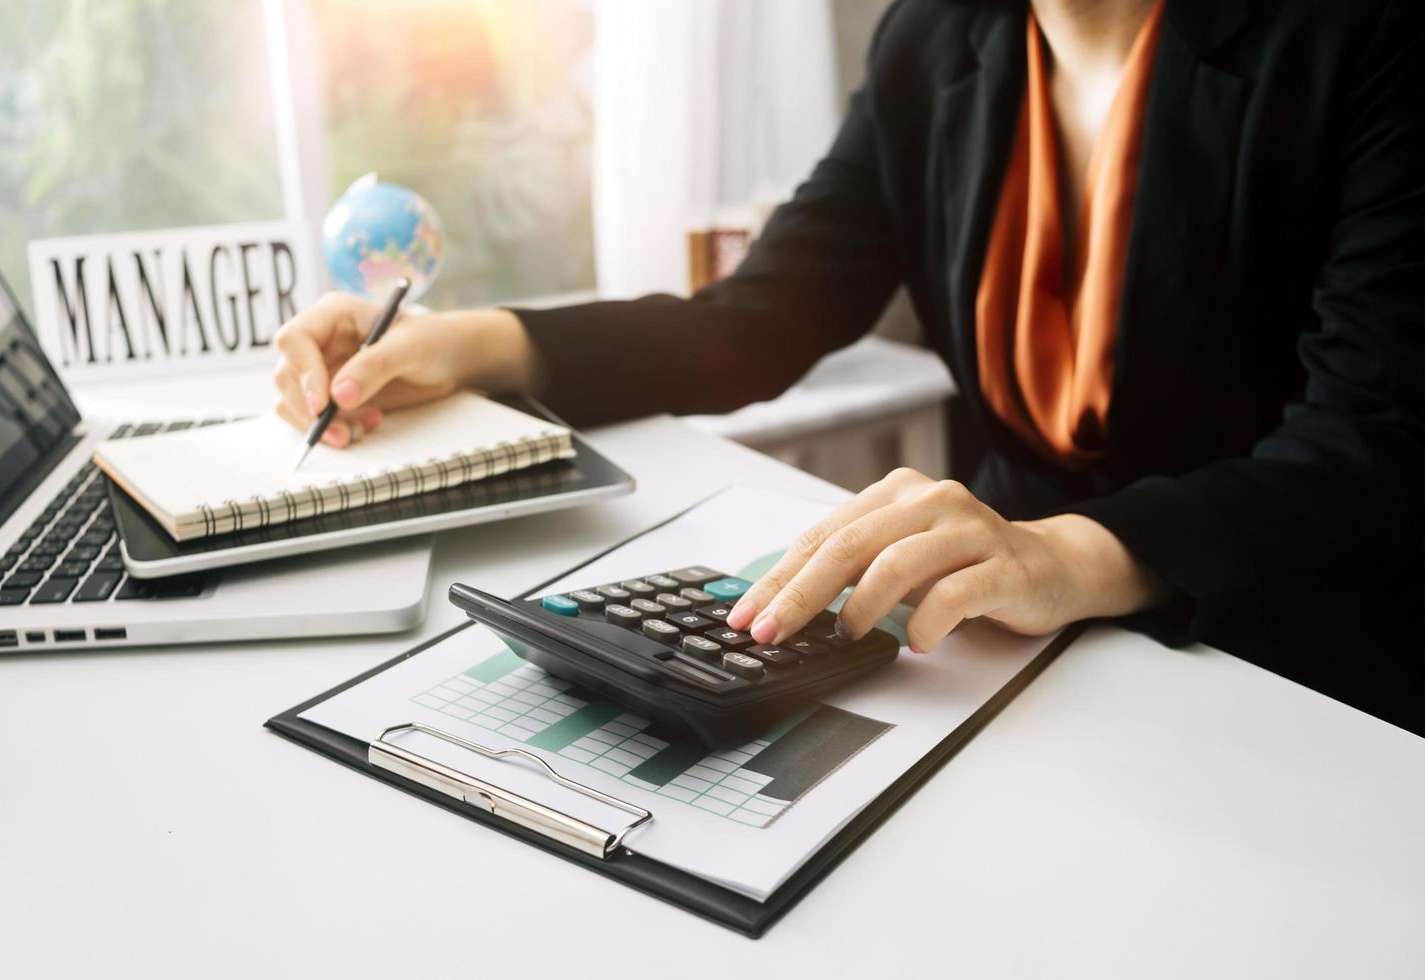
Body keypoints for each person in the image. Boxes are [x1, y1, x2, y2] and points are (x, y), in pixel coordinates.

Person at [273, 0, 1424, 732]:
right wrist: (478, 342)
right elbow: (760, 318)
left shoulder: (1364, 40)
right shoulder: (931, 38)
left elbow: (1362, 448)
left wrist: (1061, 553)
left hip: (1287, 658)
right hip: (1005, 661)